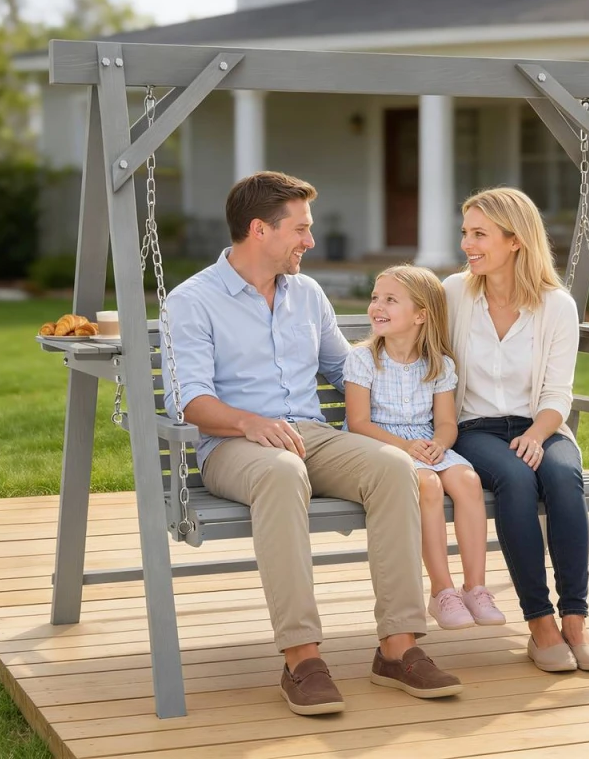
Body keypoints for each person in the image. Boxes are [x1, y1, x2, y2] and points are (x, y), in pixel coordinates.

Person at [162, 172, 462, 717]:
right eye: (300, 229)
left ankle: (398, 648)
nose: (310, 240)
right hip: (232, 446)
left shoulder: (306, 294)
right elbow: (189, 401)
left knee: (394, 468)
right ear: (260, 230)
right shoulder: (193, 301)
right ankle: (301, 658)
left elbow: (346, 369)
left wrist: (415, 387)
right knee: (281, 472)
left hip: (311, 435)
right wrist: (249, 422)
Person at [445, 187, 589, 673]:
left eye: (479, 234)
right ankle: (540, 624)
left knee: (562, 476)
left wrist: (537, 434)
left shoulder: (556, 306)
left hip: (541, 426)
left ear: (515, 240)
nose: (467, 244)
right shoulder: (455, 293)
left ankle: (575, 620)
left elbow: (558, 392)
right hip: (474, 428)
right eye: (465, 233)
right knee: (516, 479)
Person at [344, 265, 506, 630]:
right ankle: (442, 591)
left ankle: (475, 588)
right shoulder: (363, 359)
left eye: (390, 300)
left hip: (425, 442)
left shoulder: (438, 364)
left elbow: (446, 423)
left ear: (421, 315)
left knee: (467, 480)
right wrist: (406, 447)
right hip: (381, 444)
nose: (377, 306)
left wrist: (439, 444)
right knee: (428, 485)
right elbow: (359, 423)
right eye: (375, 297)